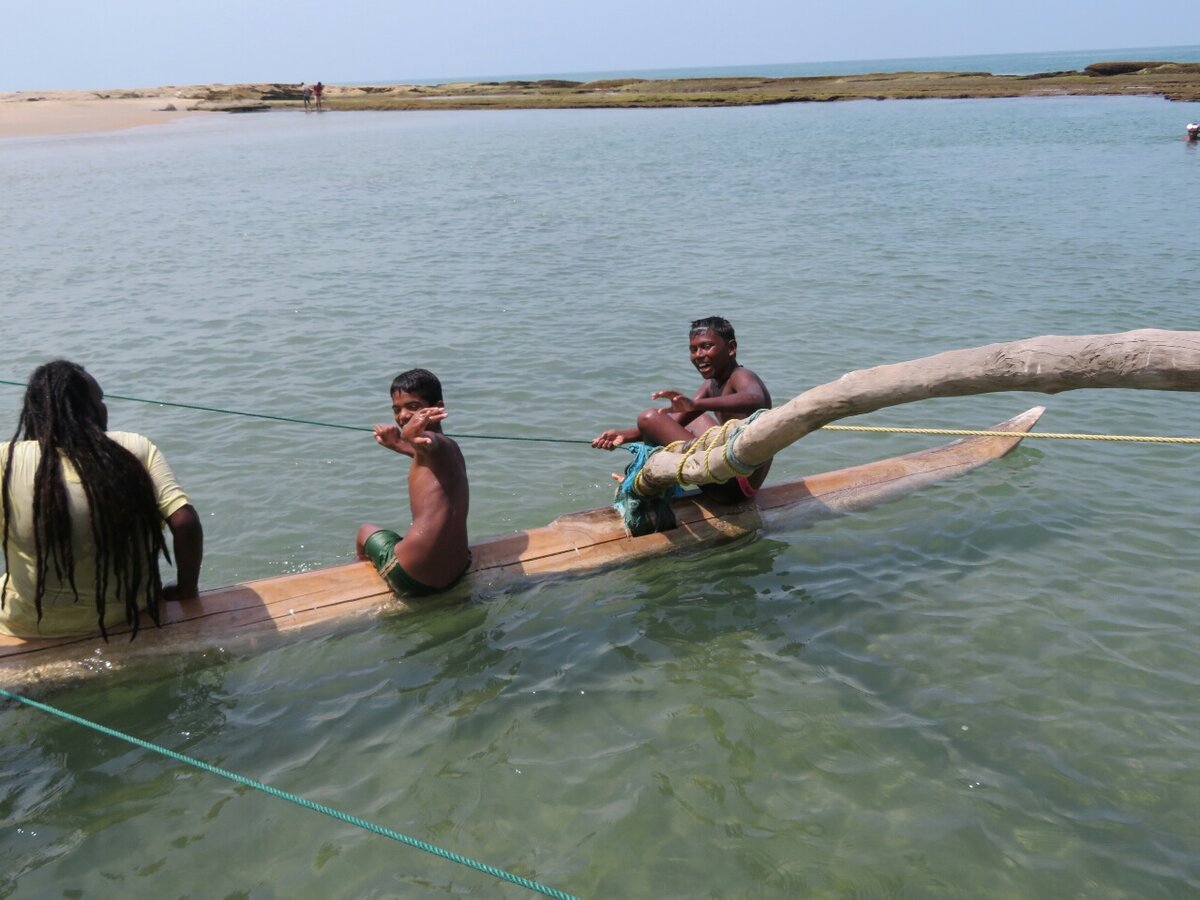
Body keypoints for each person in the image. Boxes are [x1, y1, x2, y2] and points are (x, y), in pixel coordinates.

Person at [0, 361, 203, 639]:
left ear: (35, 414)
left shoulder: (7, 461)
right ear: (88, 409)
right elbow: (185, 523)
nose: (105, 408)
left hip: (31, 627)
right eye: (100, 400)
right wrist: (186, 590)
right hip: (130, 614)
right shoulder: (135, 448)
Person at [592, 316, 773, 505]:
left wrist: (696, 405)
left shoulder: (742, 376)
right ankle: (645, 478)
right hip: (725, 474)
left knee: (648, 417)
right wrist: (623, 436)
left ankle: (650, 486)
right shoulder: (711, 385)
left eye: (706, 346)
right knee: (686, 419)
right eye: (693, 349)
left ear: (731, 348)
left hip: (733, 486)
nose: (699, 355)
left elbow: (755, 398)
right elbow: (671, 424)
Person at [356, 368, 471, 597]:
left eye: (413, 406)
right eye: (397, 409)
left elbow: (428, 443)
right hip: (459, 570)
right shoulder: (451, 449)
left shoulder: (435, 443)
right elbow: (424, 452)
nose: (403, 416)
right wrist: (398, 443)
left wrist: (407, 436)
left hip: (413, 576)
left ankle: (356, 582)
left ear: (438, 406)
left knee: (364, 531)